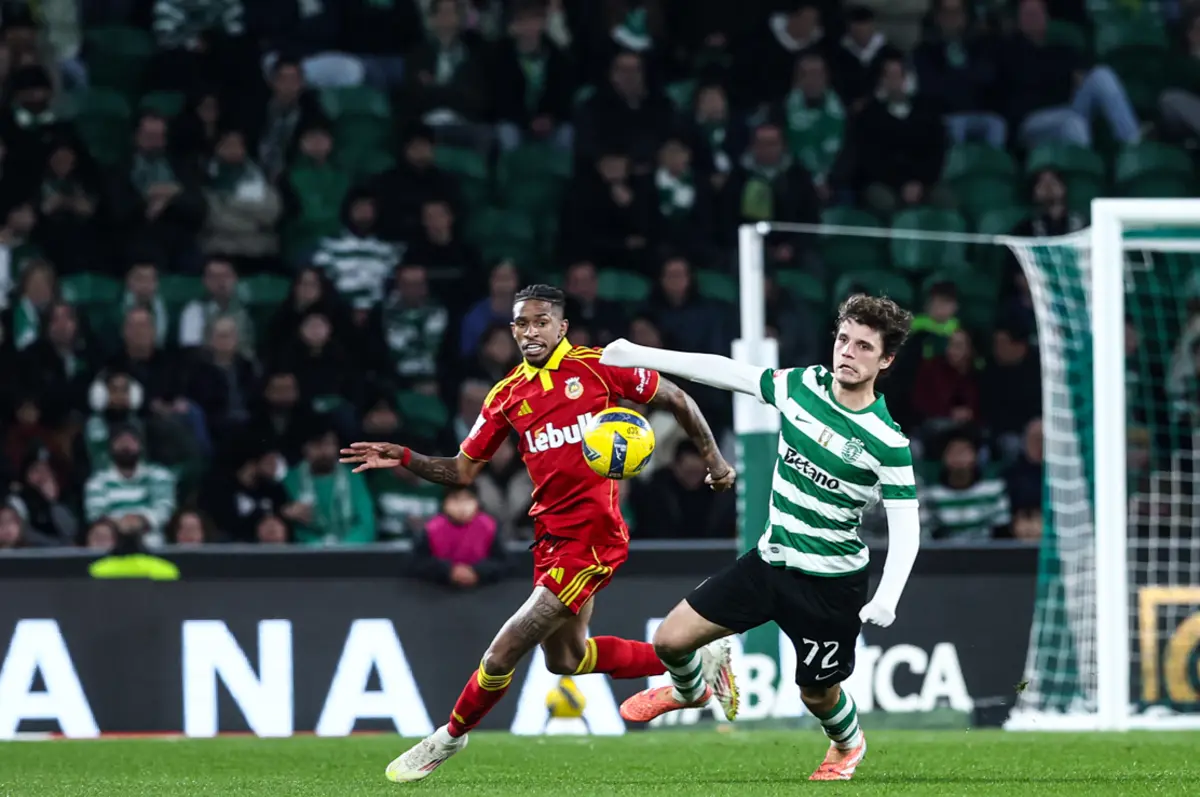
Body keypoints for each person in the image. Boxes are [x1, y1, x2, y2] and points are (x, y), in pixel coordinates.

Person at [340, 284, 738, 782]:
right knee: (566, 659)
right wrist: (404, 456)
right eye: (522, 324)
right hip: (550, 538)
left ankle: (448, 737)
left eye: (541, 322)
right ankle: (695, 660)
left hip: (592, 540)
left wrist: (716, 462)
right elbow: (462, 471)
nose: (531, 332)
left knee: (502, 651)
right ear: (512, 330)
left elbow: (677, 397)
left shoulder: (598, 366)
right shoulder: (508, 394)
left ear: (561, 326)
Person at [599, 293, 922, 782]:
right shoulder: (803, 386)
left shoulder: (887, 440)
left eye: (863, 346)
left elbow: (907, 528)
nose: (848, 353)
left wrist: (888, 596)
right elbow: (726, 371)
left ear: (886, 359)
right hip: (769, 562)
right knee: (669, 641)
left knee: (817, 694)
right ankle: (692, 690)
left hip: (830, 585)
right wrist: (639, 355)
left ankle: (847, 744)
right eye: (843, 340)